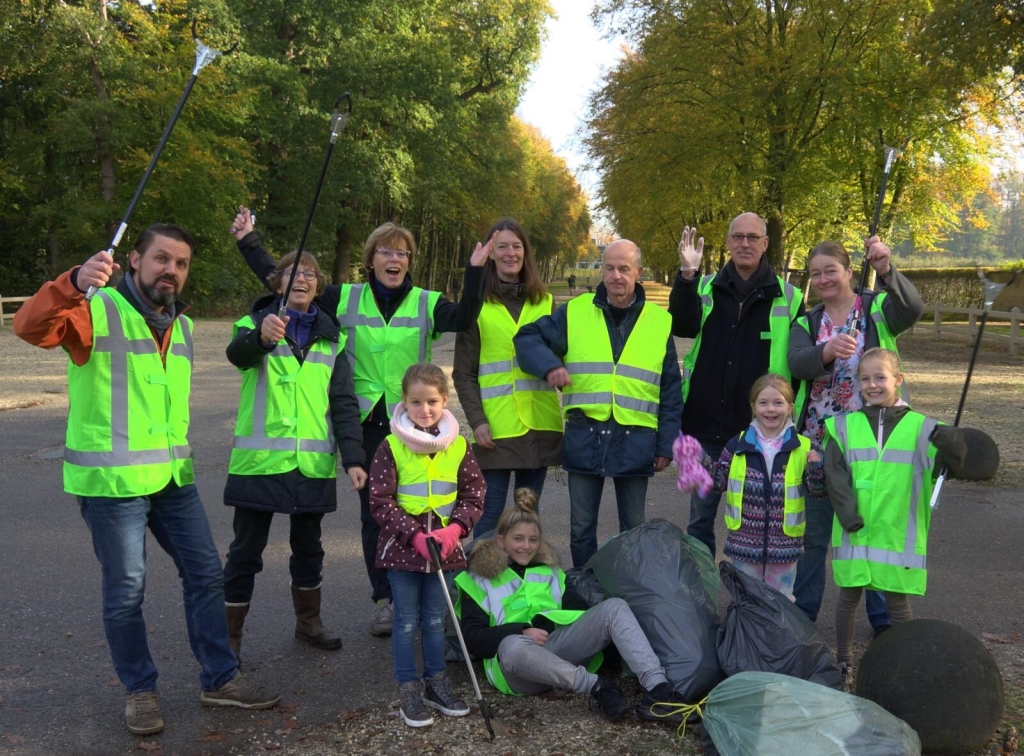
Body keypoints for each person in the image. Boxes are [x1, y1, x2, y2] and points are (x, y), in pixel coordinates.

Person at [13, 225, 280, 736]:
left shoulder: (180, 326)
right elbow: (28, 327)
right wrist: (71, 281)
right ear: (134, 260)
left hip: (172, 480)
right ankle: (140, 691)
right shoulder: (96, 308)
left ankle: (220, 678)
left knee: (205, 575)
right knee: (126, 592)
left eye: (181, 264)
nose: (171, 271)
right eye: (161, 259)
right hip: (112, 485)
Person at [232, 207, 488, 636]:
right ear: (370, 259)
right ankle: (385, 599)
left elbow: (463, 317)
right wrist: (249, 244)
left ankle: (430, 592)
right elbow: (292, 281)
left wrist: (475, 272)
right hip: (368, 424)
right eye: (385, 251)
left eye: (403, 253)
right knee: (378, 514)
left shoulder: (426, 301)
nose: (394, 259)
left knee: (427, 505)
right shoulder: (344, 296)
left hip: (417, 421)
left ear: (409, 261)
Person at [222, 251, 368, 660]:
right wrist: (263, 337)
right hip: (259, 465)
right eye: (292, 273)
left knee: (309, 548)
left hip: (312, 466)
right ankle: (228, 640)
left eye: (310, 274)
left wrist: (354, 459)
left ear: (319, 286)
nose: (302, 279)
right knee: (245, 553)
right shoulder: (253, 325)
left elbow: (342, 402)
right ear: (276, 283)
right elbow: (239, 355)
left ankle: (309, 623)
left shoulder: (332, 338)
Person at [514, 240, 682, 568]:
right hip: (585, 436)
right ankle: (585, 593)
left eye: (624, 268)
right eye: (609, 268)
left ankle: (629, 593)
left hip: (636, 439)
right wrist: (549, 366)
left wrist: (666, 443)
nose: (616, 276)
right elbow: (526, 338)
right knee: (580, 529)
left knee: (633, 530)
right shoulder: (575, 313)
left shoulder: (659, 322)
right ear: (602, 269)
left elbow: (670, 389)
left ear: (639, 273)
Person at [455, 488, 688, 723]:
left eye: (533, 539)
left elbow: (581, 612)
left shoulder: (551, 572)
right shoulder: (478, 578)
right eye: (518, 539)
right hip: (517, 668)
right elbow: (473, 640)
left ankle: (658, 689)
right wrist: (521, 630)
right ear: (501, 541)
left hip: (556, 648)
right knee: (512, 645)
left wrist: (556, 624)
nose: (526, 546)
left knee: (614, 607)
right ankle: (597, 687)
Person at [789, 237, 924, 633]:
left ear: (849, 270)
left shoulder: (877, 308)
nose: (824, 279)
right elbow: (796, 363)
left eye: (831, 270)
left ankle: (883, 621)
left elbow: (913, 309)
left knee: (872, 532)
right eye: (816, 274)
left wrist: (886, 269)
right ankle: (803, 618)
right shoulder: (808, 321)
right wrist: (827, 351)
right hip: (819, 443)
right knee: (813, 537)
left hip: (874, 445)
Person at [823, 348, 965, 686]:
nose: (872, 385)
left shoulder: (924, 428)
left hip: (897, 532)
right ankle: (844, 661)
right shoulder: (844, 426)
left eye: (880, 377)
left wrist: (955, 444)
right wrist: (848, 514)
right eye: (865, 378)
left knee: (897, 603)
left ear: (898, 380)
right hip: (853, 530)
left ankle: (906, 661)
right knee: (848, 598)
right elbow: (834, 473)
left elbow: (953, 468)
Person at [670, 214, 804, 557]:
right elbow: (682, 326)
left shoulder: (790, 297)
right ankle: (700, 593)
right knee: (699, 522)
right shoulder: (703, 286)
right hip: (703, 429)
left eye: (752, 237)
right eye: (738, 237)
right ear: (728, 242)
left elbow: (800, 367)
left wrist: (794, 426)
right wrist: (687, 276)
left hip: (761, 435)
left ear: (765, 243)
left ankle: (753, 597)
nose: (745, 244)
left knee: (756, 523)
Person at [368, 363, 484, 728]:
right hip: (405, 549)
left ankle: (437, 683)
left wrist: (456, 530)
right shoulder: (391, 445)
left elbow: (474, 492)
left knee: (435, 620)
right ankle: (409, 689)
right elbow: (380, 501)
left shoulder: (459, 445)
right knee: (405, 622)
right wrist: (414, 535)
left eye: (432, 401)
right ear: (404, 401)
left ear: (445, 401)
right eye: (416, 402)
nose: (425, 410)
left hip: (444, 549)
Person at [452, 218, 562, 537]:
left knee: (528, 517)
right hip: (495, 430)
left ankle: (524, 587)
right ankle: (478, 586)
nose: (510, 253)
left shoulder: (546, 303)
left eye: (517, 246)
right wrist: (477, 421)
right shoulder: (476, 307)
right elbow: (464, 373)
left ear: (526, 253)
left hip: (540, 426)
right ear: (490, 254)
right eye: (502, 246)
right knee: (489, 518)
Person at [676, 374, 823, 600]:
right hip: (745, 544)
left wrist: (816, 467)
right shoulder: (738, 444)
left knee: (781, 600)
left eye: (778, 403)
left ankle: (776, 636)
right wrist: (700, 459)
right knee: (747, 598)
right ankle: (748, 635)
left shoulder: (802, 447)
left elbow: (817, 491)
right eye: (763, 403)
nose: (770, 409)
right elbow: (719, 482)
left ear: (790, 407)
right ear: (753, 407)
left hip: (785, 546)